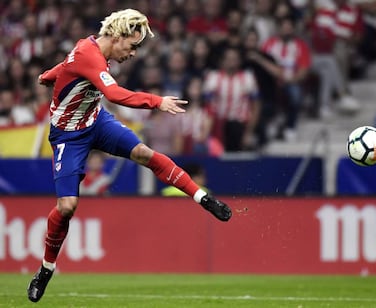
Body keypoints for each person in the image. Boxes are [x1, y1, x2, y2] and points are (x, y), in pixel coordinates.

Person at [27, 9, 232, 303]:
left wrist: (48, 76)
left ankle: (203, 198)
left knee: (142, 152)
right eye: (133, 45)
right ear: (117, 36)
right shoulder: (91, 54)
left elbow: (69, 65)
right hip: (68, 135)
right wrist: (156, 101)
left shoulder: (91, 49)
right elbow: (114, 94)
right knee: (68, 206)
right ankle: (46, 269)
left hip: (96, 121)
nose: (134, 53)